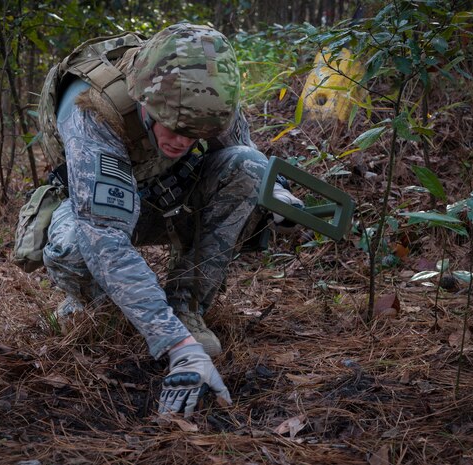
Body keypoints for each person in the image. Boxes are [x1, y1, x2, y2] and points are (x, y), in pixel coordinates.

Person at [40, 23, 302, 417]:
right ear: (142, 96)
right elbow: (104, 234)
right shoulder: (91, 105)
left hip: (172, 198)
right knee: (76, 247)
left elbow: (242, 154)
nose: (183, 140)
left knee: (251, 169)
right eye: (174, 126)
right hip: (96, 206)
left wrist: (275, 193)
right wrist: (178, 348)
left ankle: (187, 306)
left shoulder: (208, 94)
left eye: (196, 133)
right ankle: (99, 306)